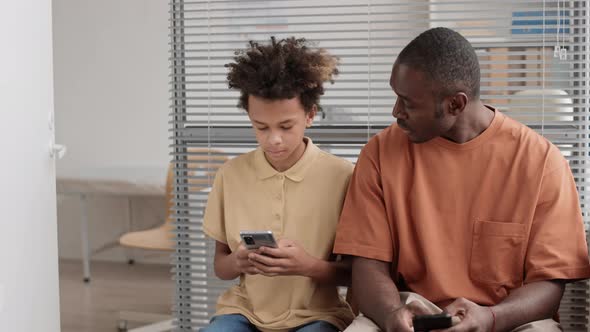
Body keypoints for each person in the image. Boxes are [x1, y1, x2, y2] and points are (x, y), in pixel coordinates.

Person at [333, 27, 590, 332]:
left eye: (408, 102)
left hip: (505, 318)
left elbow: (548, 285)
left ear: (455, 104)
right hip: (408, 309)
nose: (395, 112)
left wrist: (491, 318)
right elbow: (367, 266)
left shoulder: (542, 162)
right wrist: (391, 314)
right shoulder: (378, 153)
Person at [200, 36, 355, 332]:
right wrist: (240, 262)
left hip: (318, 315)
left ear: (310, 115)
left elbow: (356, 274)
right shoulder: (230, 175)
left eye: (286, 126)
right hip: (243, 312)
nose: (273, 139)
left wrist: (307, 265)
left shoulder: (343, 176)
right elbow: (221, 266)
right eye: (261, 127)